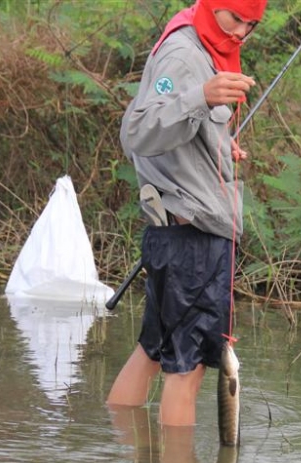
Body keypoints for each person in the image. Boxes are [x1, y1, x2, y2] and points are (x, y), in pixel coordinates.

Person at [107, 0, 266, 427]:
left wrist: (215, 141)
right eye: (235, 19)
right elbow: (138, 131)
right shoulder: (185, 53)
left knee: (152, 352)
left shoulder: (203, 46)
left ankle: (126, 452)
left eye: (251, 26)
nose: (241, 34)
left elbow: (182, 126)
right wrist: (202, 96)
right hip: (190, 234)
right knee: (188, 368)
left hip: (177, 232)